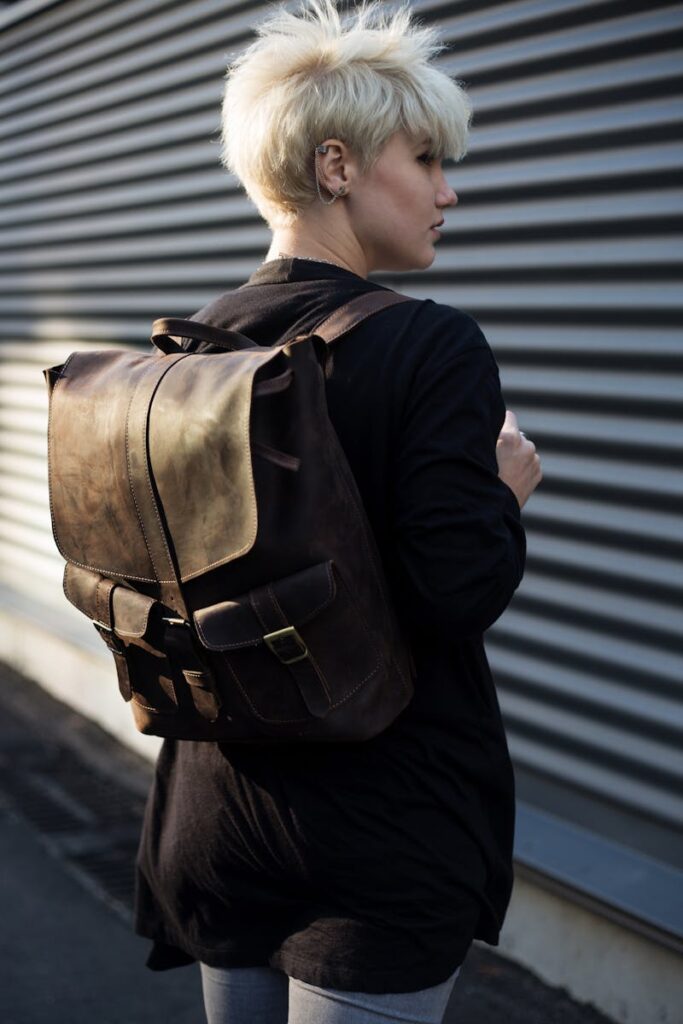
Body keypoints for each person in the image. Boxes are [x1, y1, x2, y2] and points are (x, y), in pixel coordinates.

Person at [134, 1, 542, 1022]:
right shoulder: (431, 346)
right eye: (425, 158)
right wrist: (500, 499)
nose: (447, 191)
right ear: (336, 166)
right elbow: (455, 593)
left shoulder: (194, 348)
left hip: (215, 813)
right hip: (380, 825)